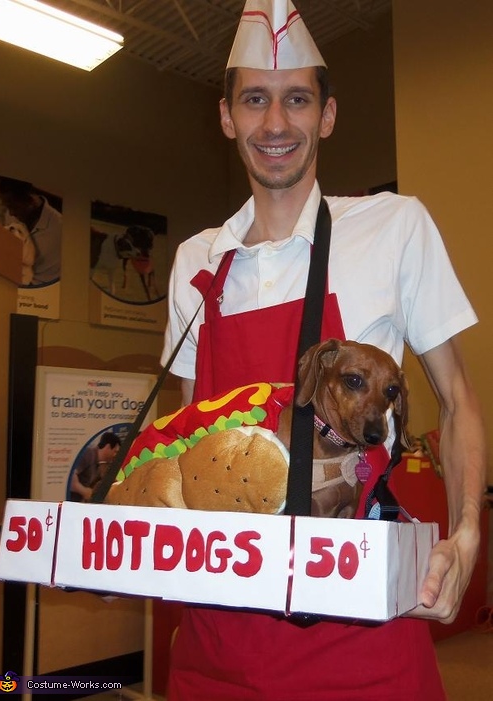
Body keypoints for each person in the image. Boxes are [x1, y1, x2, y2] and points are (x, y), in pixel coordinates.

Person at [160, 1, 486, 699]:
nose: (275, 123)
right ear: (227, 117)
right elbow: (188, 450)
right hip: (219, 643)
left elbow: (457, 399)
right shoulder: (196, 263)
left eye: (297, 99)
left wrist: (465, 533)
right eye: (254, 99)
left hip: (362, 643)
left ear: (327, 114)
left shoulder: (397, 227)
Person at [0, 176, 62, 285]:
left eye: (14, 207)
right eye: (8, 207)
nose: (11, 213)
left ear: (31, 200)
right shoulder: (11, 216)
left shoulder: (60, 228)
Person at [70, 431, 121, 502]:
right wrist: (84, 491)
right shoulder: (88, 453)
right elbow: (70, 476)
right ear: (108, 447)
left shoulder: (100, 464)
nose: (116, 455)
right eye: (115, 451)